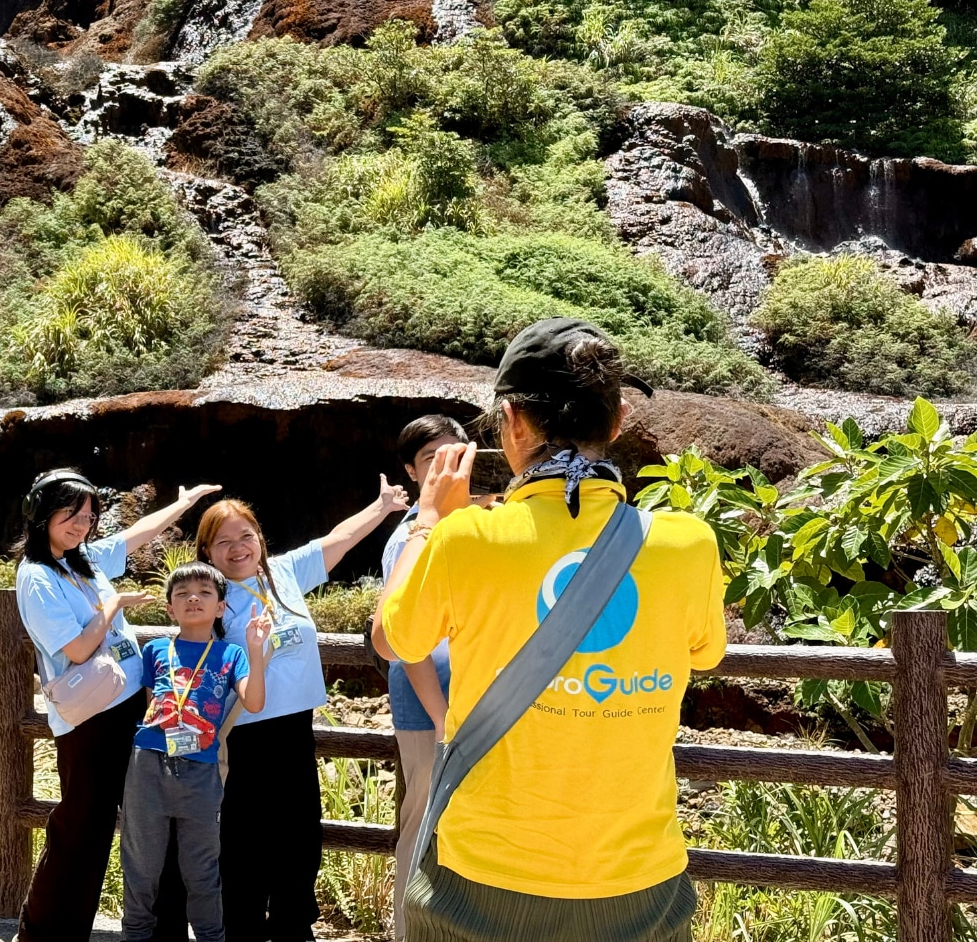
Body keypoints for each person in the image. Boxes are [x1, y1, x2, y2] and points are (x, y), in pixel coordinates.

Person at [372, 318, 727, 942]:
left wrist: (428, 521)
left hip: (481, 880)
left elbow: (391, 639)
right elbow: (706, 654)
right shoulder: (689, 545)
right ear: (617, 422)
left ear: (512, 423)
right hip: (638, 883)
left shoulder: (466, 539)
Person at [14, 469, 223, 942]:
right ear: (41, 512)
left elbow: (136, 535)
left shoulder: (81, 560)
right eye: (71, 514)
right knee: (81, 828)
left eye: (89, 517)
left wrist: (183, 503)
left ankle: (155, 931)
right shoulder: (37, 576)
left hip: (130, 709)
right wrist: (114, 606)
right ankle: (43, 934)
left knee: (152, 818)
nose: (81, 525)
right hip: (90, 721)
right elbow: (77, 649)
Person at [197, 482, 410, 942]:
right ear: (207, 552)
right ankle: (242, 930)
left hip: (296, 730)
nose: (238, 548)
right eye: (223, 541)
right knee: (244, 844)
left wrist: (382, 507)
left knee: (299, 838)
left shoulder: (283, 573)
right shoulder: (210, 597)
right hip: (244, 736)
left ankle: (294, 928)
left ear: (259, 538)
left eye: (245, 536)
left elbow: (339, 539)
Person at [120, 563, 272, 942]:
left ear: (220, 607)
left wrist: (256, 650)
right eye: (182, 593)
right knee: (141, 866)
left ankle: (210, 937)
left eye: (205, 592)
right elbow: (151, 703)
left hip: (201, 772)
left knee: (201, 868)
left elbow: (254, 702)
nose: (193, 598)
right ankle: (135, 936)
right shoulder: (156, 649)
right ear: (169, 608)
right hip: (148, 765)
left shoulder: (230, 653)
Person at [381, 415, 468, 941]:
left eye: (456, 453)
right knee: (421, 825)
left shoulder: (478, 526)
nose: (447, 466)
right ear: (412, 472)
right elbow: (401, 638)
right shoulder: (411, 538)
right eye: (433, 458)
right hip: (428, 706)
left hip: (473, 702)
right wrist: (441, 716)